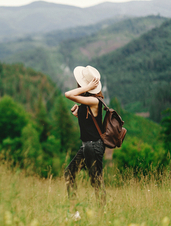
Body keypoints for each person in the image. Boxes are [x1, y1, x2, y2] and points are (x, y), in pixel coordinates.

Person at [64, 65, 106, 205]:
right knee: (69, 173)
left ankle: (103, 213)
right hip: (87, 146)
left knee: (96, 181)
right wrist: (78, 114)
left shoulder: (94, 101)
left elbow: (68, 94)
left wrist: (86, 87)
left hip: (93, 146)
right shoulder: (87, 102)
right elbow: (90, 124)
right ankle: (74, 209)